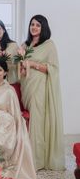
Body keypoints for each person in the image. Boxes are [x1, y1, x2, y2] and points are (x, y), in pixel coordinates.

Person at [19, 15, 65, 170]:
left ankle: (36, 160)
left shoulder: (49, 44)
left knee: (37, 122)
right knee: (31, 121)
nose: (34, 27)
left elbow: (53, 68)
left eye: (38, 25)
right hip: (27, 86)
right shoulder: (25, 45)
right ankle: (27, 156)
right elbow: (20, 66)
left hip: (40, 88)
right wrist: (23, 63)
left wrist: (33, 64)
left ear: (43, 27)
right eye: (32, 24)